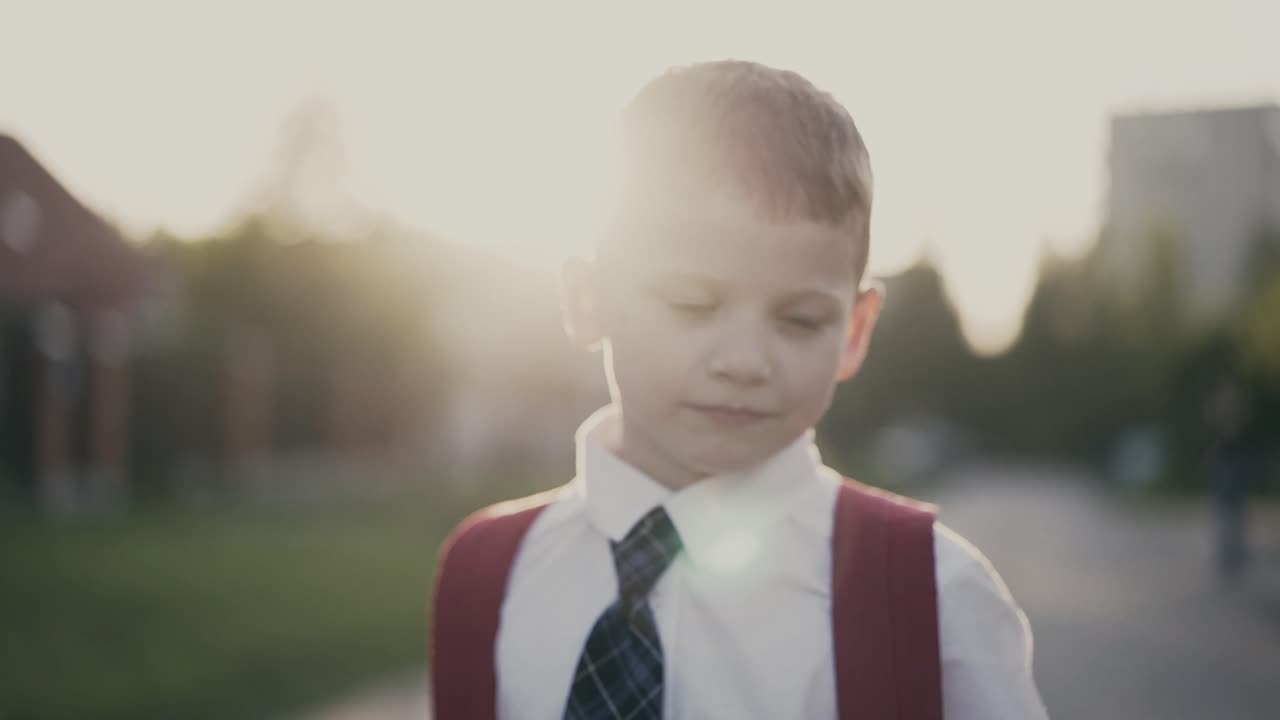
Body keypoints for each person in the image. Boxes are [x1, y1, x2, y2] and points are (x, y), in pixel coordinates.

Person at [431, 60, 1049, 719]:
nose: (745, 361)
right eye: (693, 304)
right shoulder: (487, 574)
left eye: (800, 320)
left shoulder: (933, 597)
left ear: (855, 331)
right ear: (588, 300)